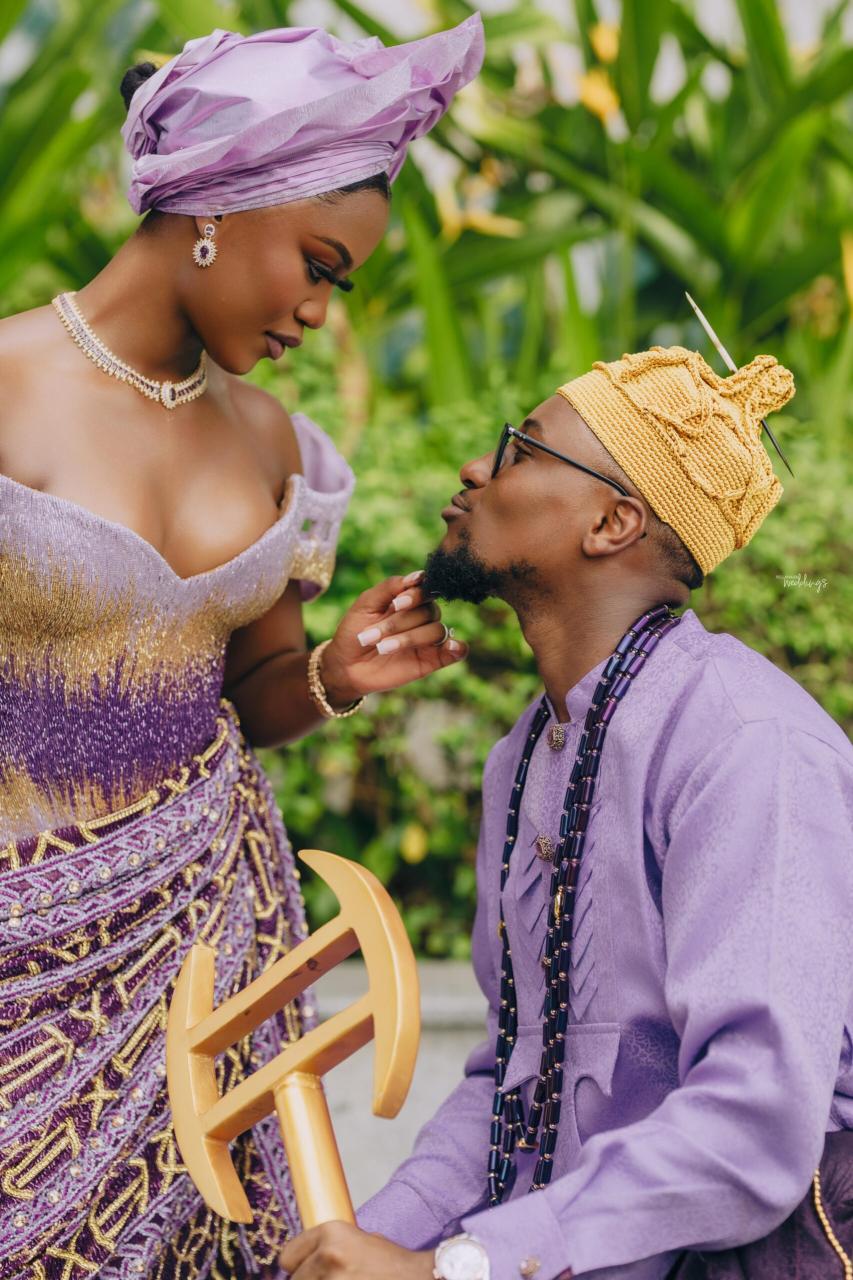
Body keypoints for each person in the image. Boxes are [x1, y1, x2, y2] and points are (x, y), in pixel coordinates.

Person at [0, 15, 485, 1278]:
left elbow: (255, 691)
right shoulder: (4, 387)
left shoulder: (270, 438)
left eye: (340, 286)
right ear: (217, 204)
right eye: (317, 266)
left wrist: (334, 675)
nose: (318, 312)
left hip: (201, 952)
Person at [278, 345, 853, 1280]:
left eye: (520, 449)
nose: (475, 469)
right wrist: (363, 1244)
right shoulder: (528, 753)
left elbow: (751, 1127)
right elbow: (513, 1083)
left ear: (612, 521)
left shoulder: (749, 746)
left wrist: (452, 1268)